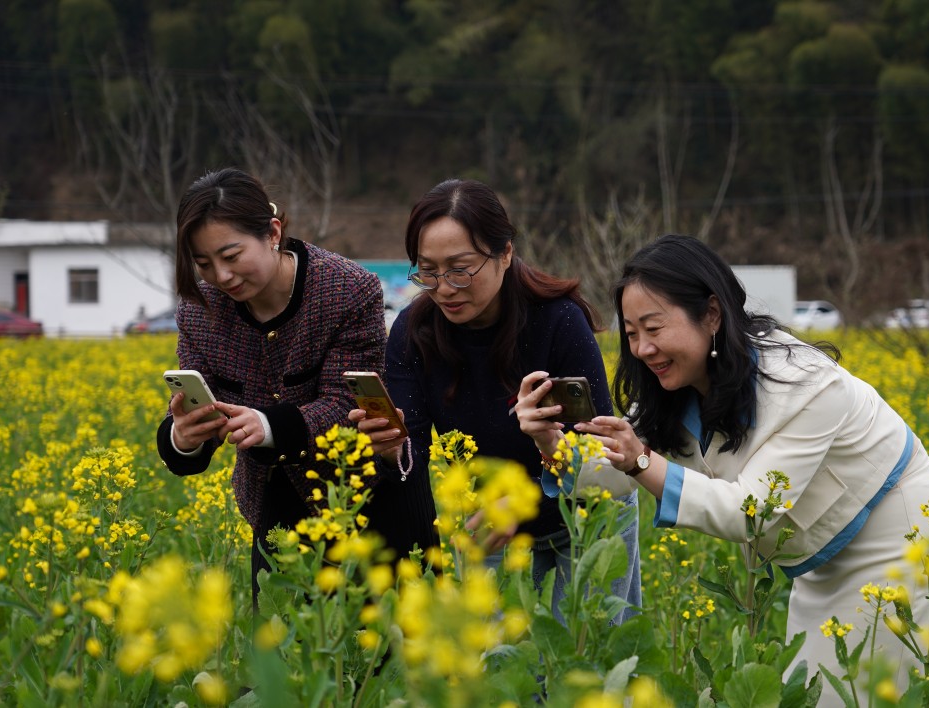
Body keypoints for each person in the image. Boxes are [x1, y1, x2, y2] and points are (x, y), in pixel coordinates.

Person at [571, 234, 929, 700]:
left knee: (873, 692)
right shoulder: (674, 386)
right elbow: (616, 471)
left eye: (653, 328)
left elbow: (749, 512)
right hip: (817, 557)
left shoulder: (806, 384)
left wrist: (641, 461)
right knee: (819, 691)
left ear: (711, 314)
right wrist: (551, 443)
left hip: (896, 538)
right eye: (631, 333)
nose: (641, 349)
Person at [351, 178, 642, 623]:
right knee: (492, 673)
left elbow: (599, 458)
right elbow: (412, 453)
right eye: (427, 270)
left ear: (505, 253)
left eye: (460, 268)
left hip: (585, 510)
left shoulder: (558, 321)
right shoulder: (413, 332)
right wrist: (392, 452)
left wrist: (524, 501)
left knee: (586, 666)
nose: (443, 287)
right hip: (489, 519)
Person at [156, 167, 439, 605]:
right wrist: (184, 437)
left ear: (272, 232)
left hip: (368, 505)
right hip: (275, 517)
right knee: (279, 665)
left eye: (231, 256)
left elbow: (348, 404)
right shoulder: (199, 311)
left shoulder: (347, 289)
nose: (222, 276)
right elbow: (204, 409)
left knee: (383, 663)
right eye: (203, 263)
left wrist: (268, 426)